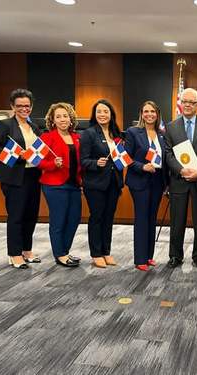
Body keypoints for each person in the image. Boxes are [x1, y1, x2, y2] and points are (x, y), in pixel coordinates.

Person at [0, 89, 42, 269]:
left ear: (31, 107)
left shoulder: (34, 127)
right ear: (12, 106)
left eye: (27, 106)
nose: (23, 109)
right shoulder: (4, 125)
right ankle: (14, 253)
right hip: (14, 177)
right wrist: (18, 156)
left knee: (31, 215)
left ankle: (27, 250)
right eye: (19, 106)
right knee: (16, 216)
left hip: (34, 176)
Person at [164, 88, 197, 269]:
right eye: (184, 102)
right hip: (179, 181)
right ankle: (175, 255)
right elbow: (168, 154)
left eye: (191, 102)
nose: (187, 105)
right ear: (180, 103)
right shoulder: (171, 127)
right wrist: (181, 170)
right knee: (177, 220)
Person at [80, 99, 123, 268]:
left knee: (108, 218)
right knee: (97, 217)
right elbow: (83, 160)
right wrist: (95, 163)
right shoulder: (89, 133)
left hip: (114, 182)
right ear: (94, 115)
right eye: (99, 111)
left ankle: (106, 251)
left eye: (105, 111)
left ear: (111, 114)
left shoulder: (116, 134)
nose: (102, 115)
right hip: (95, 183)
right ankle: (96, 253)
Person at [124, 101, 167, 271]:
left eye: (153, 111)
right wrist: (142, 166)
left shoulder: (162, 134)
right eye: (146, 111)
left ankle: (149, 256)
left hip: (157, 182)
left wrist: (167, 183)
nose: (150, 114)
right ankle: (139, 259)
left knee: (152, 218)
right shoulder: (133, 132)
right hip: (139, 181)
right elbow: (125, 158)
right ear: (141, 114)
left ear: (157, 114)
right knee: (142, 219)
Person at [39, 102, 82, 268]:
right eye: (58, 116)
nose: (62, 119)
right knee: (59, 220)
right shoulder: (47, 137)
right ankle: (60, 254)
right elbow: (36, 160)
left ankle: (65, 250)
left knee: (74, 219)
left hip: (74, 184)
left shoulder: (77, 137)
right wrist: (52, 165)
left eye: (65, 115)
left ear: (71, 118)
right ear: (52, 120)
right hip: (54, 185)